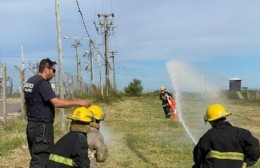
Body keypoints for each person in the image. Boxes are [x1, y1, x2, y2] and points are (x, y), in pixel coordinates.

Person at [24, 58, 92, 168]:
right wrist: (79, 102)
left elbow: (26, 103)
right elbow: (56, 103)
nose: (54, 74)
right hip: (42, 127)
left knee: (36, 156)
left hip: (32, 125)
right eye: (53, 71)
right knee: (42, 160)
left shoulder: (30, 81)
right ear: (46, 69)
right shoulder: (43, 83)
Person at [193, 104, 260, 168]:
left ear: (210, 121)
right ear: (225, 117)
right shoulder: (241, 133)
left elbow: (197, 157)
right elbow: (255, 148)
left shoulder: (207, 136)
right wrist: (246, 163)